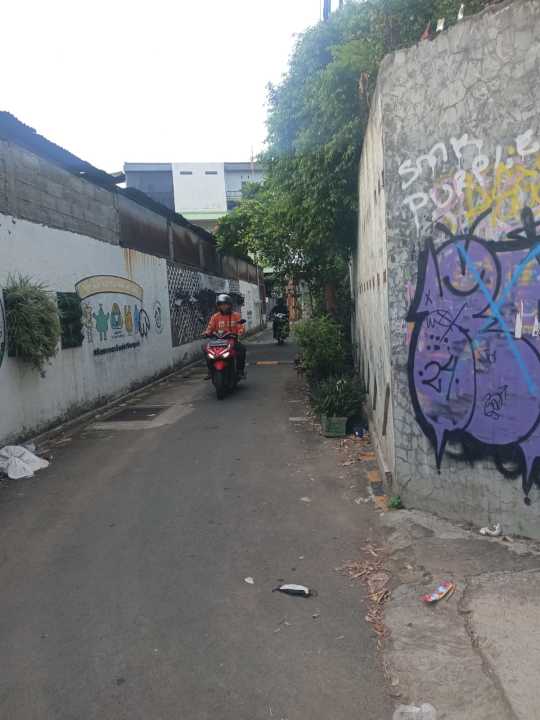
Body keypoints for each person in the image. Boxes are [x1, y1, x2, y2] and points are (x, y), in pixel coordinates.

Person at [203, 294, 246, 377]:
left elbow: (241, 326)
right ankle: (210, 370)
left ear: (230, 305)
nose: (223, 306)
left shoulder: (236, 315)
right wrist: (206, 333)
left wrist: (240, 332)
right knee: (205, 348)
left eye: (225, 304)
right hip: (217, 341)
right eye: (221, 305)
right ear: (218, 306)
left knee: (242, 349)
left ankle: (240, 371)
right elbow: (210, 327)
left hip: (232, 340)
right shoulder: (215, 317)